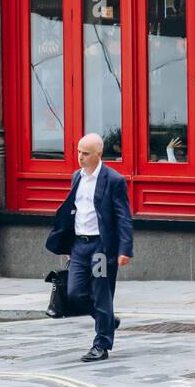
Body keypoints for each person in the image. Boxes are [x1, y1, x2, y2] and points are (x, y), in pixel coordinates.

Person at [45, 133, 134, 362]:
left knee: (101, 293)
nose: (80, 157)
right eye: (78, 152)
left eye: (85, 153)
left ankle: (101, 345)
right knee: (75, 292)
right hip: (79, 246)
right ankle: (108, 321)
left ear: (98, 154)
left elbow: (123, 217)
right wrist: (67, 243)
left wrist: (125, 249)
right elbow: (73, 212)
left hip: (101, 247)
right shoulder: (77, 177)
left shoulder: (113, 180)